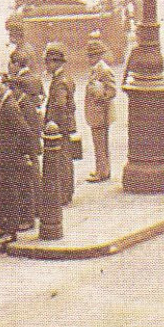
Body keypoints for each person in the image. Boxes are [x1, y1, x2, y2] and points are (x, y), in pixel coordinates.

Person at [0, 73, 36, 239]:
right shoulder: (2, 104)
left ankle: (11, 229)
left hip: (10, 157)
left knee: (10, 194)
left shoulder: (10, 106)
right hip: (2, 157)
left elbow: (25, 131)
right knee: (2, 193)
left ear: (7, 86)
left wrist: (24, 154)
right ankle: (3, 225)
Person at [42, 43, 78, 205]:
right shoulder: (64, 78)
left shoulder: (60, 81)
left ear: (55, 63)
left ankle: (64, 194)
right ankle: (66, 192)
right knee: (65, 159)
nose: (47, 66)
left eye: (48, 62)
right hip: (64, 126)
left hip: (60, 127)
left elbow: (60, 105)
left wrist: (53, 125)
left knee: (62, 161)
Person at [83, 34, 117, 183]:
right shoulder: (96, 69)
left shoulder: (103, 70)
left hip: (100, 113)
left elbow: (112, 90)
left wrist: (100, 97)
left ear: (98, 55)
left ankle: (101, 172)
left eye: (92, 55)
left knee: (100, 145)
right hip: (97, 114)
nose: (89, 58)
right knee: (100, 144)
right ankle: (104, 170)